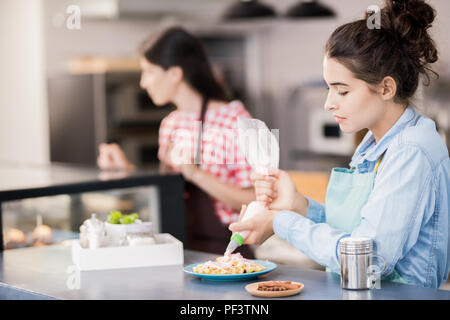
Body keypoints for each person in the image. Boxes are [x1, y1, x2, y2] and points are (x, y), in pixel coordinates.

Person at [229, 0, 450, 288]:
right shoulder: (375, 143)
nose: (329, 103)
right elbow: (360, 228)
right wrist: (300, 205)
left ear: (386, 88)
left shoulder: (411, 151)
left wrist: (280, 222)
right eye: (328, 88)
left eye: (342, 91)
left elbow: (368, 257)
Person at [97, 26, 256, 257]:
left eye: (149, 72)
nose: (143, 82)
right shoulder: (170, 124)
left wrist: (195, 173)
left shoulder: (234, 120)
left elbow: (253, 200)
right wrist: (123, 172)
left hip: (228, 255)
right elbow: (167, 195)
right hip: (179, 249)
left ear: (175, 73)